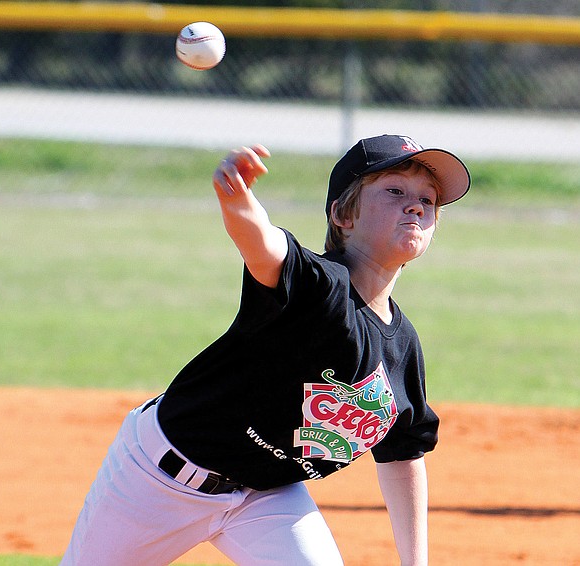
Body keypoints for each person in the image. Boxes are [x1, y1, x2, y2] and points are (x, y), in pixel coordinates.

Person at [61, 134, 471, 565]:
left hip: (268, 498)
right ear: (342, 215)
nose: (416, 205)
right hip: (157, 481)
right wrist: (237, 198)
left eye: (429, 199)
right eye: (394, 191)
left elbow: (403, 452)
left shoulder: (403, 347)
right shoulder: (317, 286)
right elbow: (263, 245)